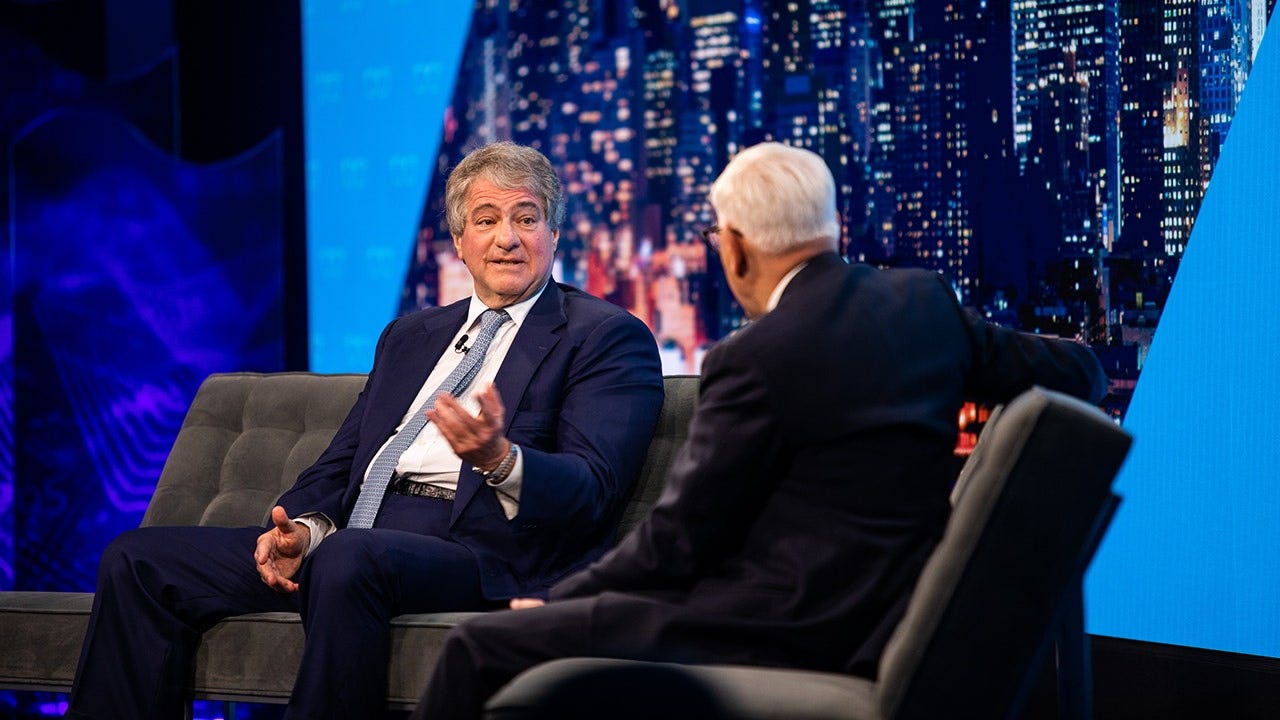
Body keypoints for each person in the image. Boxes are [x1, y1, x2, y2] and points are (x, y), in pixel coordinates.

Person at [410, 142, 1108, 720]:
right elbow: (1082, 374)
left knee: (479, 647)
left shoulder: (753, 357)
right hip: (898, 616)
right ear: (830, 227)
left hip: (782, 624)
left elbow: (676, 545)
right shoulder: (922, 303)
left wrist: (555, 600)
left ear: (738, 248)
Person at [67, 141, 665, 720]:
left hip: (478, 552)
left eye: (526, 219)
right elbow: (345, 458)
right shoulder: (410, 336)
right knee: (136, 559)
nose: (507, 238)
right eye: (486, 220)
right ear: (460, 241)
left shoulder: (603, 336)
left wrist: (500, 460)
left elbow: (593, 487)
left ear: (553, 234)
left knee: (348, 558)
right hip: (357, 540)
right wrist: (304, 530)